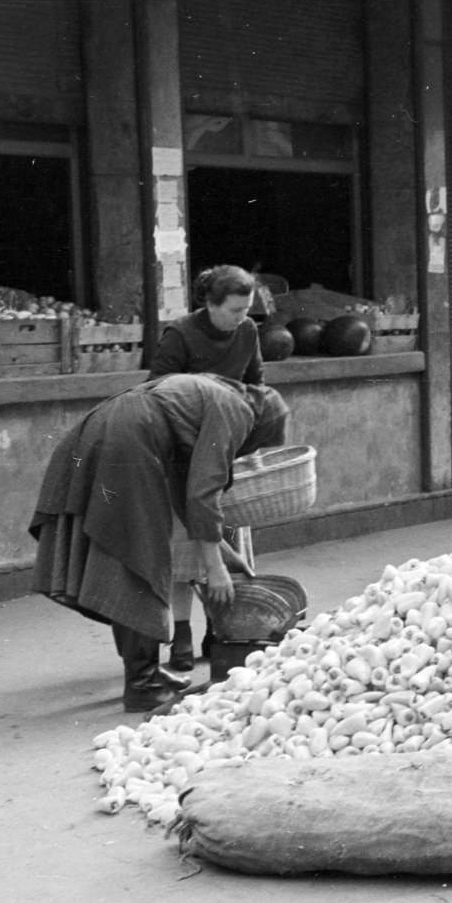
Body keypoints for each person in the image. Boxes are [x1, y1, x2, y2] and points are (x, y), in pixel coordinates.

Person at [29, 374, 290, 713]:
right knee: (140, 559)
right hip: (128, 440)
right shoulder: (237, 412)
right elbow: (202, 493)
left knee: (124, 555)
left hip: (105, 427)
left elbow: (185, 491)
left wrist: (226, 556)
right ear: (262, 428)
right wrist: (214, 571)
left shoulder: (217, 392)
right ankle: (142, 684)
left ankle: (147, 672)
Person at [151, 265, 267, 672]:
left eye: (246, 310)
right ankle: (180, 635)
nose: (241, 319)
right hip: (182, 452)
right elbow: (157, 394)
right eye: (234, 310)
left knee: (230, 540)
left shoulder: (248, 332)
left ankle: (221, 629)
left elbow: (256, 384)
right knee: (186, 551)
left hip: (227, 446)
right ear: (210, 304)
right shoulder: (180, 335)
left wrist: (250, 439)